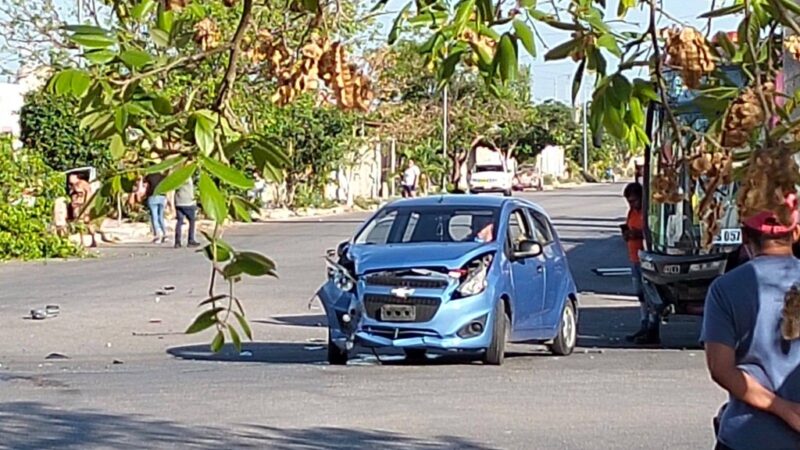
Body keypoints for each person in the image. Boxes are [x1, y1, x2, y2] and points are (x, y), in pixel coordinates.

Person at [702, 192, 800, 450]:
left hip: (746, 438)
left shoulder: (724, 289)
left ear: (745, 237)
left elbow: (720, 368)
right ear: (796, 232)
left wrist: (782, 408)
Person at [622, 182, 660, 345]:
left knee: (650, 294)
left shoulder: (648, 213)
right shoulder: (632, 212)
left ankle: (653, 327)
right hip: (634, 257)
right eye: (629, 201)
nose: (632, 204)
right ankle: (644, 323)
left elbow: (654, 232)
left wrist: (637, 234)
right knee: (640, 294)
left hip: (646, 258)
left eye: (634, 201)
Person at [68, 173, 98, 247]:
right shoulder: (73, 186)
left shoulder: (83, 184)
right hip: (76, 206)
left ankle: (94, 239)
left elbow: (88, 195)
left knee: (88, 223)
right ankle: (82, 241)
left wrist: (86, 206)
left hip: (83, 206)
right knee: (79, 224)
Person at [174, 177, 200, 248]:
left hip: (178, 202)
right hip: (188, 202)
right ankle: (191, 240)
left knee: (179, 222)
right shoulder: (187, 177)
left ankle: (177, 242)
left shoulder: (177, 178)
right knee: (192, 221)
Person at [144, 172, 168, 244]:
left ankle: (157, 236)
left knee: (154, 217)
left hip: (152, 196)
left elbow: (145, 186)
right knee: (161, 217)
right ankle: (165, 234)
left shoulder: (148, 176)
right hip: (162, 197)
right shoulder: (163, 176)